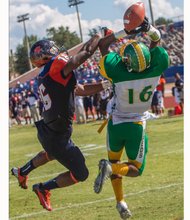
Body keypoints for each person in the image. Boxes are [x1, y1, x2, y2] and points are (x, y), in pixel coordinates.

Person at [11, 36, 111, 211]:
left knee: (51, 153)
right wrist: (98, 37)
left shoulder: (45, 74)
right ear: (44, 55)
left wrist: (106, 84)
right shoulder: (55, 68)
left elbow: (80, 90)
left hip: (49, 129)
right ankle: (43, 188)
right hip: (57, 133)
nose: (56, 50)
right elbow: (86, 53)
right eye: (52, 49)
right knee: (81, 173)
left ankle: (23, 171)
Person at [93, 17, 169, 219]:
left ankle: (120, 202)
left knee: (114, 161)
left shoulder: (117, 71)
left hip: (116, 124)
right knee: (134, 168)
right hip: (136, 125)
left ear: (126, 61)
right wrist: (148, 29)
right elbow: (157, 40)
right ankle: (112, 173)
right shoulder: (156, 68)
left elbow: (103, 45)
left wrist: (125, 31)